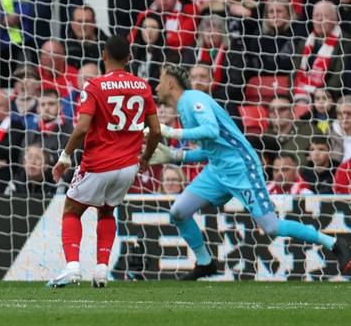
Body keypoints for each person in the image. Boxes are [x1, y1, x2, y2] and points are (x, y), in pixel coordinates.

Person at [147, 64, 351, 280]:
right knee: (178, 212)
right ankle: (205, 263)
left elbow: (211, 130)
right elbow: (209, 150)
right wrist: (176, 156)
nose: (156, 86)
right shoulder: (183, 110)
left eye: (160, 81)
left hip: (241, 168)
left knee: (271, 227)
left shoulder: (192, 99)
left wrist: (171, 132)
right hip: (217, 171)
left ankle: (334, 243)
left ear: (170, 83)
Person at [48, 35, 161, 288]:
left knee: (72, 210)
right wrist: (144, 158)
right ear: (129, 59)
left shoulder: (94, 86)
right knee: (107, 210)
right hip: (128, 167)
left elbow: (81, 128)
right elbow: (155, 131)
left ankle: (73, 267)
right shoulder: (142, 86)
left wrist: (65, 157)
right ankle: (101, 270)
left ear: (103, 55)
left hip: (98, 163)